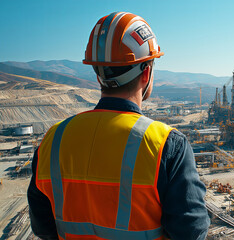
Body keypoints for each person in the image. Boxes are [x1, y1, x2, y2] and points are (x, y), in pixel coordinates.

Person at [27, 12, 210, 240]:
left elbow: (43, 228)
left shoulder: (53, 140)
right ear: (146, 73)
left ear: (98, 76)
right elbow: (191, 233)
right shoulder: (167, 145)